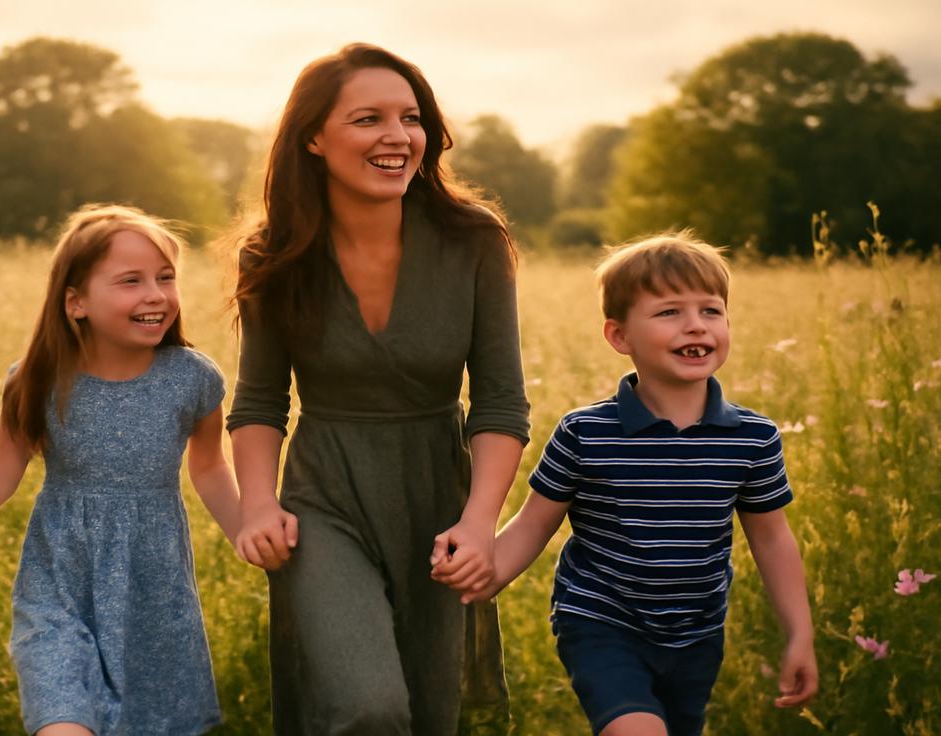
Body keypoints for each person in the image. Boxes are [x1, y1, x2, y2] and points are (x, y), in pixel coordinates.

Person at [229, 43, 530, 734]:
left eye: (411, 118)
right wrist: (257, 505)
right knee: (365, 706)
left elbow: (500, 402)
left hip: (436, 497)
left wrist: (480, 523)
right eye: (369, 119)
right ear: (314, 136)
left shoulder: (473, 240)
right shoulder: (273, 252)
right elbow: (259, 400)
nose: (398, 137)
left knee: (427, 711)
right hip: (323, 497)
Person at [456, 234, 818, 735]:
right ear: (619, 336)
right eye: (669, 312)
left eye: (711, 311)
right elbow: (534, 525)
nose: (696, 324)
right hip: (601, 622)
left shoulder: (751, 439)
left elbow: (772, 538)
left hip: (697, 634)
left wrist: (800, 633)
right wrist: (478, 579)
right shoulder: (586, 433)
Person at [0, 204, 241, 735]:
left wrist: (248, 533)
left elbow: (209, 467)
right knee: (61, 718)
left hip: (154, 593)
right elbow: (3, 463)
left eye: (166, 278)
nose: (155, 295)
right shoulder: (38, 379)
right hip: (58, 586)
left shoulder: (192, 379)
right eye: (130, 281)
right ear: (76, 302)